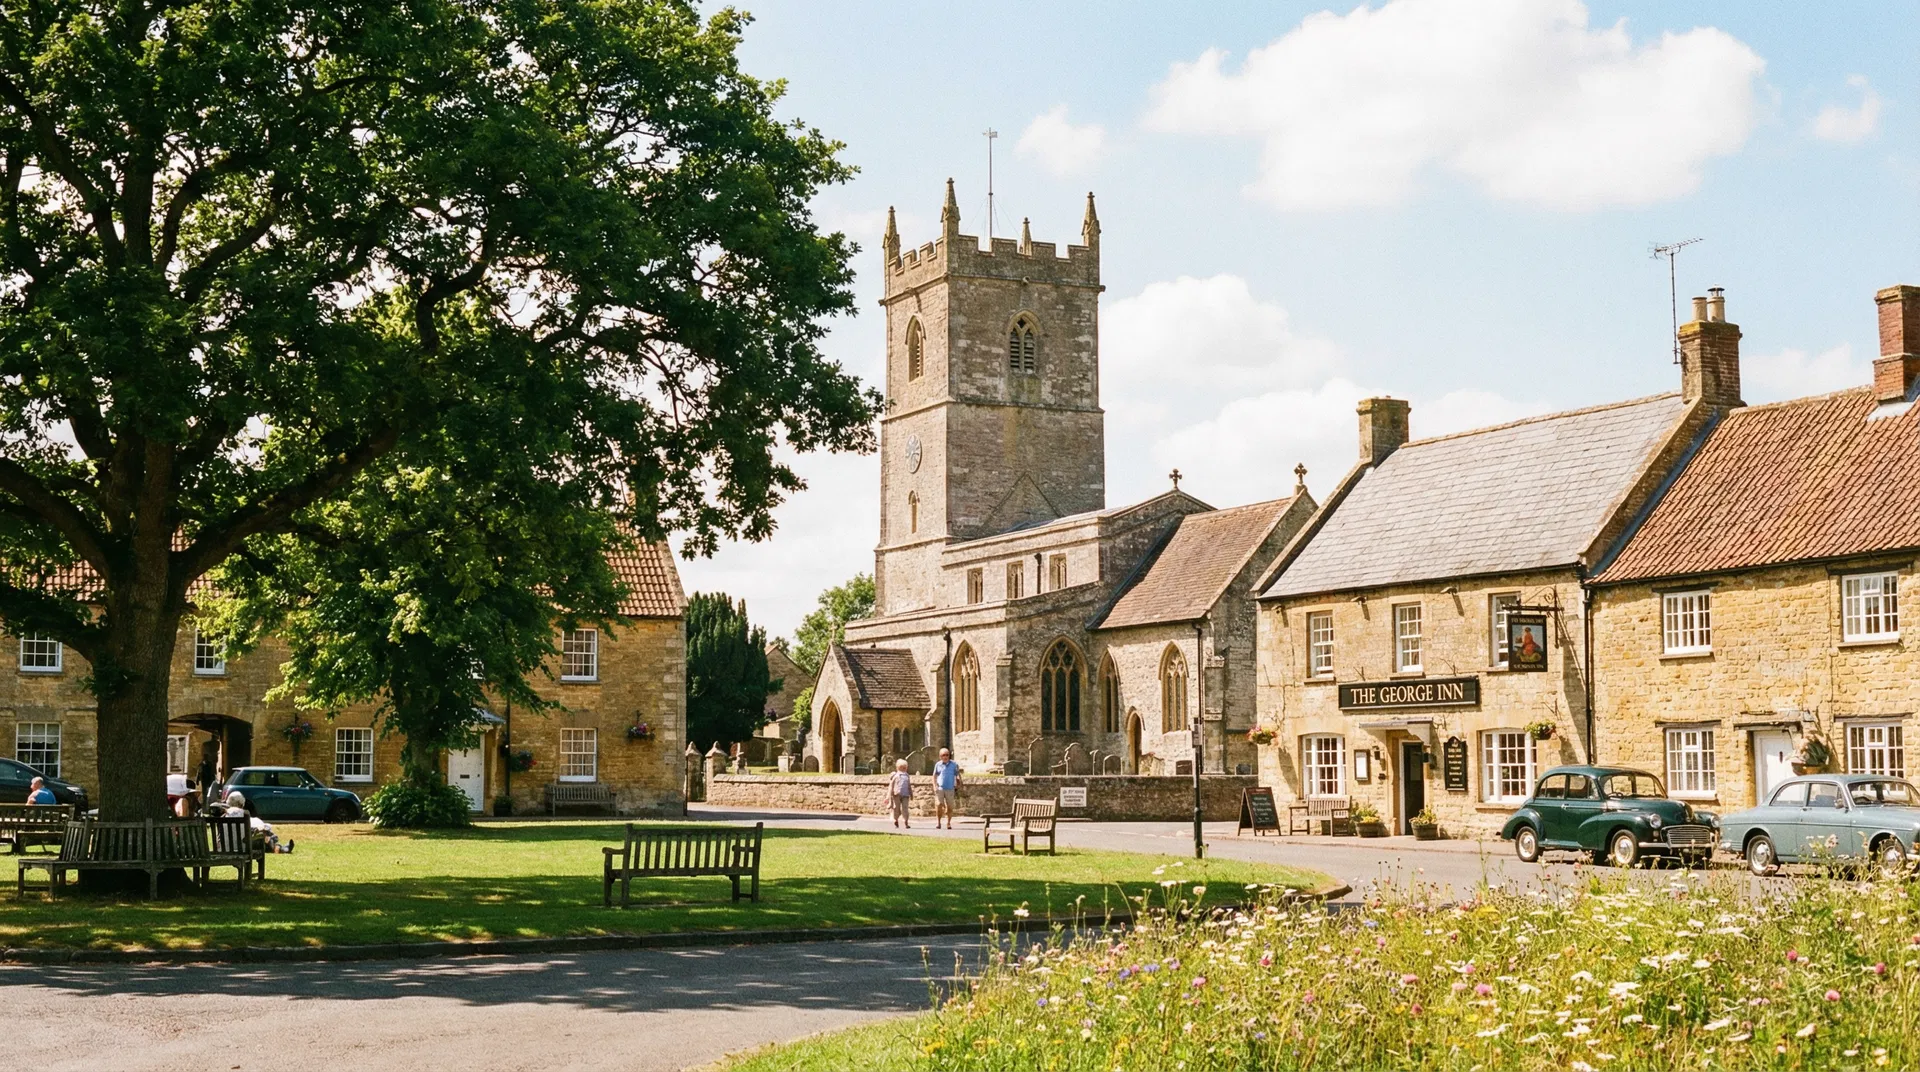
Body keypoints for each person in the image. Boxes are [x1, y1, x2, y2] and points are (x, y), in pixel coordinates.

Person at [932, 748, 961, 829]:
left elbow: (957, 774)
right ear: (940, 756)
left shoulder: (954, 764)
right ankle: (938, 822)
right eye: (943, 755)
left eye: (947, 755)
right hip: (940, 788)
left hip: (950, 788)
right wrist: (934, 786)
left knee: (950, 807)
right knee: (938, 805)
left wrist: (959, 783)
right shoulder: (938, 764)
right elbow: (934, 776)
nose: (945, 757)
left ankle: (948, 823)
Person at [888, 758, 913, 829]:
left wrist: (911, 793)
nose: (904, 769)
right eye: (902, 767)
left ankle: (906, 822)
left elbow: (909, 785)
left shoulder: (907, 776)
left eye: (905, 767)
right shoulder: (896, 776)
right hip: (896, 794)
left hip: (905, 795)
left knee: (905, 808)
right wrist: (890, 796)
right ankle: (896, 820)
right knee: (896, 808)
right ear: (898, 768)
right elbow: (891, 786)